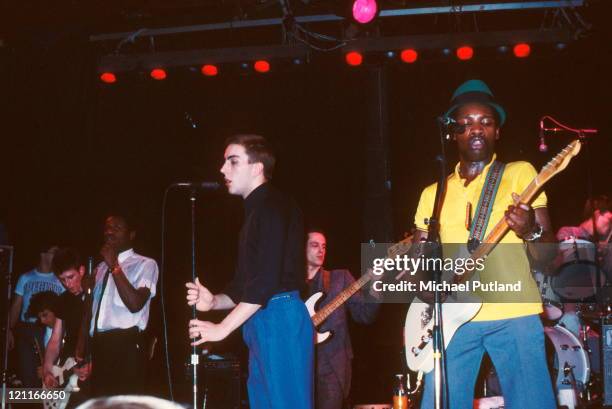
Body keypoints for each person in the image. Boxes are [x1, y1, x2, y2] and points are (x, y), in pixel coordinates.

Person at [412, 79, 557, 409]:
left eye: (486, 122)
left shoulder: (521, 174)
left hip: (514, 312)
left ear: (497, 132)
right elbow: (422, 262)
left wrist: (531, 230)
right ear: (453, 133)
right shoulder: (431, 194)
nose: (476, 130)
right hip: (453, 320)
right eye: (466, 124)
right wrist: (418, 286)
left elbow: (549, 257)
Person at [186, 134, 314, 409]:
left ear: (257, 168)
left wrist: (222, 328)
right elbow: (245, 285)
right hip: (261, 320)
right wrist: (215, 301)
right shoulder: (254, 213)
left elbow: (265, 284)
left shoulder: (273, 206)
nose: (222, 170)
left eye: (232, 161)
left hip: (279, 316)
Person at [305, 229, 378, 409]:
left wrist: (376, 284)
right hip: (297, 366)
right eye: (315, 245)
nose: (321, 250)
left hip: (331, 367)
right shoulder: (289, 285)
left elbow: (365, 315)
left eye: (324, 246)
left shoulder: (340, 278)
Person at [89, 215, 159, 397]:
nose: (109, 232)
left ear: (131, 235)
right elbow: (89, 313)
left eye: (117, 227)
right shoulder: (99, 268)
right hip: (100, 345)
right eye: (107, 227)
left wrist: (114, 266)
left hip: (126, 345)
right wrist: (82, 353)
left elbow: (135, 304)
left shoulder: (145, 264)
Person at [8, 244, 64, 387]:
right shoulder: (26, 277)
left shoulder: (60, 279)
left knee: (48, 373)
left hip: (51, 330)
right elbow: (16, 306)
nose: (57, 256)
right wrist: (8, 329)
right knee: (28, 375)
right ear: (43, 254)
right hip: (28, 328)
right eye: (54, 252)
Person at [41, 247, 91, 395]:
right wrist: (47, 369)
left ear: (82, 271)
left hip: (93, 363)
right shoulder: (64, 300)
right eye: (63, 280)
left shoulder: (96, 294)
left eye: (71, 277)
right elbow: (55, 340)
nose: (67, 284)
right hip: (70, 365)